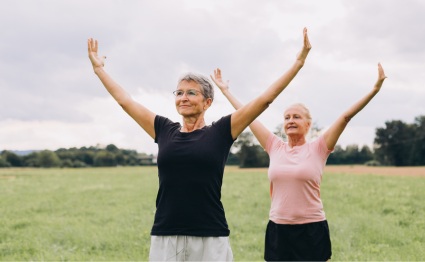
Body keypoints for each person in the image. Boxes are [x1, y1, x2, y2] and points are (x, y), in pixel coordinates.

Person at [87, 28, 311, 261]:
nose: (183, 97)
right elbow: (126, 102)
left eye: (191, 93)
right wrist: (99, 70)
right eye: (179, 92)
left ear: (207, 102)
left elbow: (264, 100)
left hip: (210, 235)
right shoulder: (164, 129)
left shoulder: (221, 131)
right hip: (166, 233)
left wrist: (298, 63)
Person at [211, 63, 387, 261]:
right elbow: (248, 115)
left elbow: (345, 117)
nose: (291, 121)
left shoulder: (319, 147)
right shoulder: (274, 146)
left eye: (296, 117)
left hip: (311, 228)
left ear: (308, 124)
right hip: (278, 228)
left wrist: (374, 89)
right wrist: (226, 91)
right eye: (287, 118)